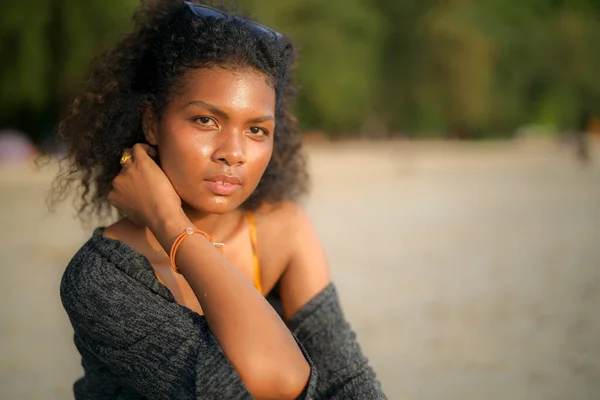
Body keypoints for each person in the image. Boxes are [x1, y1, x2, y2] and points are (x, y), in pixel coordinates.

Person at [53, 1, 385, 399]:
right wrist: (173, 227)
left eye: (257, 130)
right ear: (151, 123)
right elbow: (272, 381)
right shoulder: (100, 278)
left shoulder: (283, 231)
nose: (233, 152)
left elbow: (351, 385)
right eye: (205, 120)